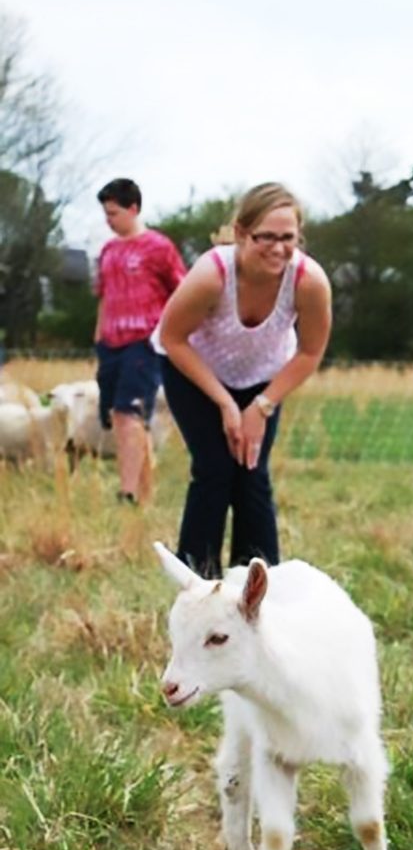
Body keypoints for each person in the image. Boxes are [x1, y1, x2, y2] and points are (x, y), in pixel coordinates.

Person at [155, 182, 332, 577]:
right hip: (194, 370)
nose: (278, 248)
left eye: (288, 238)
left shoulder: (309, 281)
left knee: (252, 472)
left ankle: (258, 587)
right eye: (265, 237)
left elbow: (309, 353)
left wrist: (261, 406)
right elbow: (172, 338)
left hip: (262, 378)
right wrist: (224, 403)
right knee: (214, 468)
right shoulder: (212, 275)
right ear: (240, 233)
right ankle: (198, 581)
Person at [94, 178, 187, 503]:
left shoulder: (158, 248)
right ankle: (144, 490)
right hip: (111, 343)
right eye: (106, 214)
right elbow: (103, 297)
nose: (109, 220)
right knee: (117, 419)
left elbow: (184, 291)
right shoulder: (107, 251)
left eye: (114, 213)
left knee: (128, 413)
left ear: (133, 208)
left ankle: (127, 493)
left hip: (145, 342)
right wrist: (98, 340)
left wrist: (171, 335)